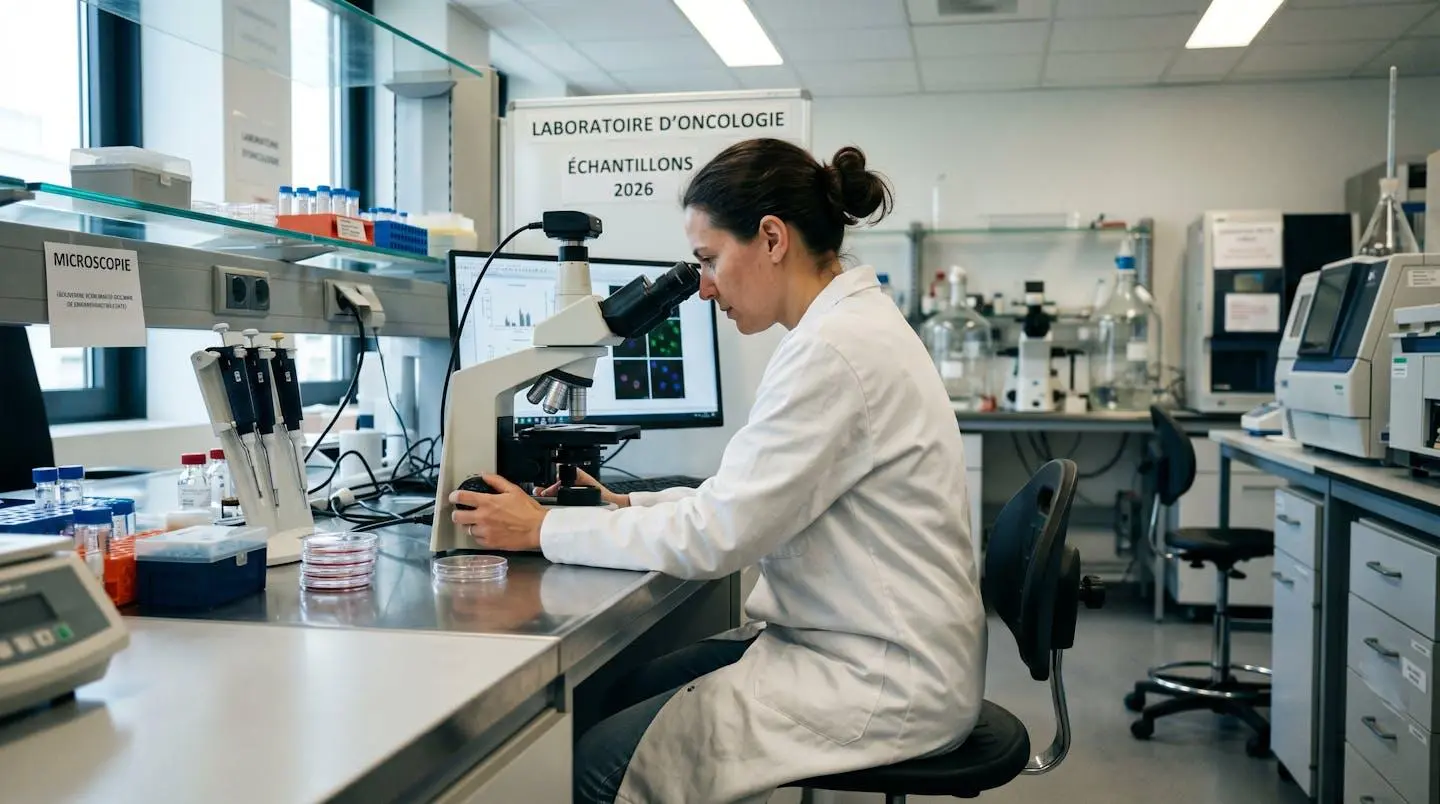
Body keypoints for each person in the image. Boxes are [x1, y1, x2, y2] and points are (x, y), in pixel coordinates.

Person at [449, 138, 986, 804]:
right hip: (861, 644)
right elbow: (745, 500)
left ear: (770, 238)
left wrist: (541, 529)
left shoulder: (835, 351)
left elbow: (719, 534)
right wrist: (625, 506)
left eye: (708, 259)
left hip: (880, 677)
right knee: (617, 693)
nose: (702, 285)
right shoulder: (845, 329)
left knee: (594, 765)